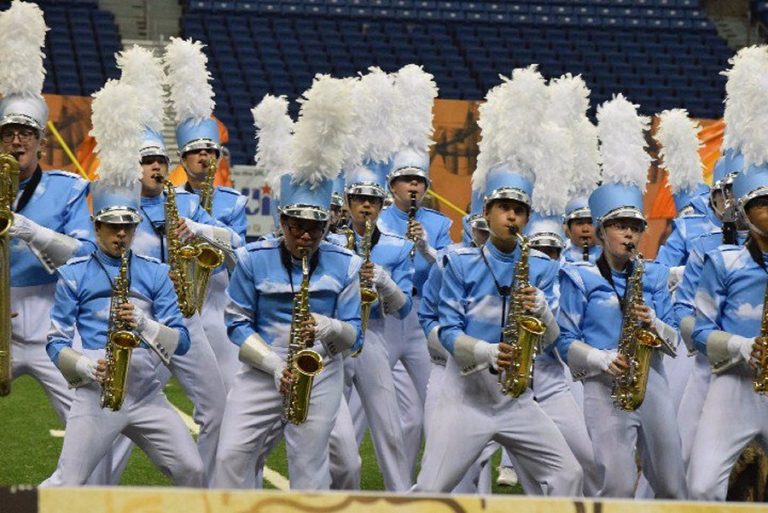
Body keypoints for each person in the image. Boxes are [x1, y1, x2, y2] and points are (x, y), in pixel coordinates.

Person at [42, 80, 202, 487]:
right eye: (112, 226)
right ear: (96, 227)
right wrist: (84, 365)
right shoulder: (75, 272)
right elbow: (55, 341)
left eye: (128, 226)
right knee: (69, 482)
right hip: (98, 390)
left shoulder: (154, 271)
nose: (120, 234)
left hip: (147, 393)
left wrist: (144, 325)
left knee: (192, 469)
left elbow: (182, 342)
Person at [212, 74, 361, 491]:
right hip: (262, 369)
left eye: (315, 228)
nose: (306, 236)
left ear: (327, 225)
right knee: (230, 456)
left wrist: (328, 328)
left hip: (321, 369)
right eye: (296, 226)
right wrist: (275, 365)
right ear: (281, 220)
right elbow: (236, 324)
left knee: (311, 468)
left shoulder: (346, 264)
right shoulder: (251, 258)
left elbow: (356, 335)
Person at [556, 95, 685, 499]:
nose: (629, 233)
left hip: (653, 380)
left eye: (635, 226)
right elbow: (563, 341)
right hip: (603, 386)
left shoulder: (654, 273)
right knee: (616, 484)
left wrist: (653, 322)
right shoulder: (577, 276)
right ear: (601, 232)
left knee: (673, 484)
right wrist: (601, 359)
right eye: (619, 225)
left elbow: (674, 341)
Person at [2, 0, 95, 423]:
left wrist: (32, 231)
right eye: (8, 133)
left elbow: (85, 254)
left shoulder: (68, 188)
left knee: (87, 414)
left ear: (41, 142)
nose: (16, 141)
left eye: (26, 133)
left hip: (51, 322)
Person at [687, 164, 768, 500]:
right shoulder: (723, 262)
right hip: (734, 384)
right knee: (702, 486)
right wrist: (742, 346)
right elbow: (700, 332)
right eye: (762, 204)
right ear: (745, 213)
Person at [332, 160, 414, 491]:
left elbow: (404, 308)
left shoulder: (397, 245)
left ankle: (401, 498)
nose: (366, 206)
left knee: (389, 427)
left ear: (382, 205)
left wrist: (385, 282)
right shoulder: (331, 242)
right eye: (359, 199)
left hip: (373, 336)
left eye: (373, 200)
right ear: (348, 202)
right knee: (330, 427)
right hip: (335, 339)